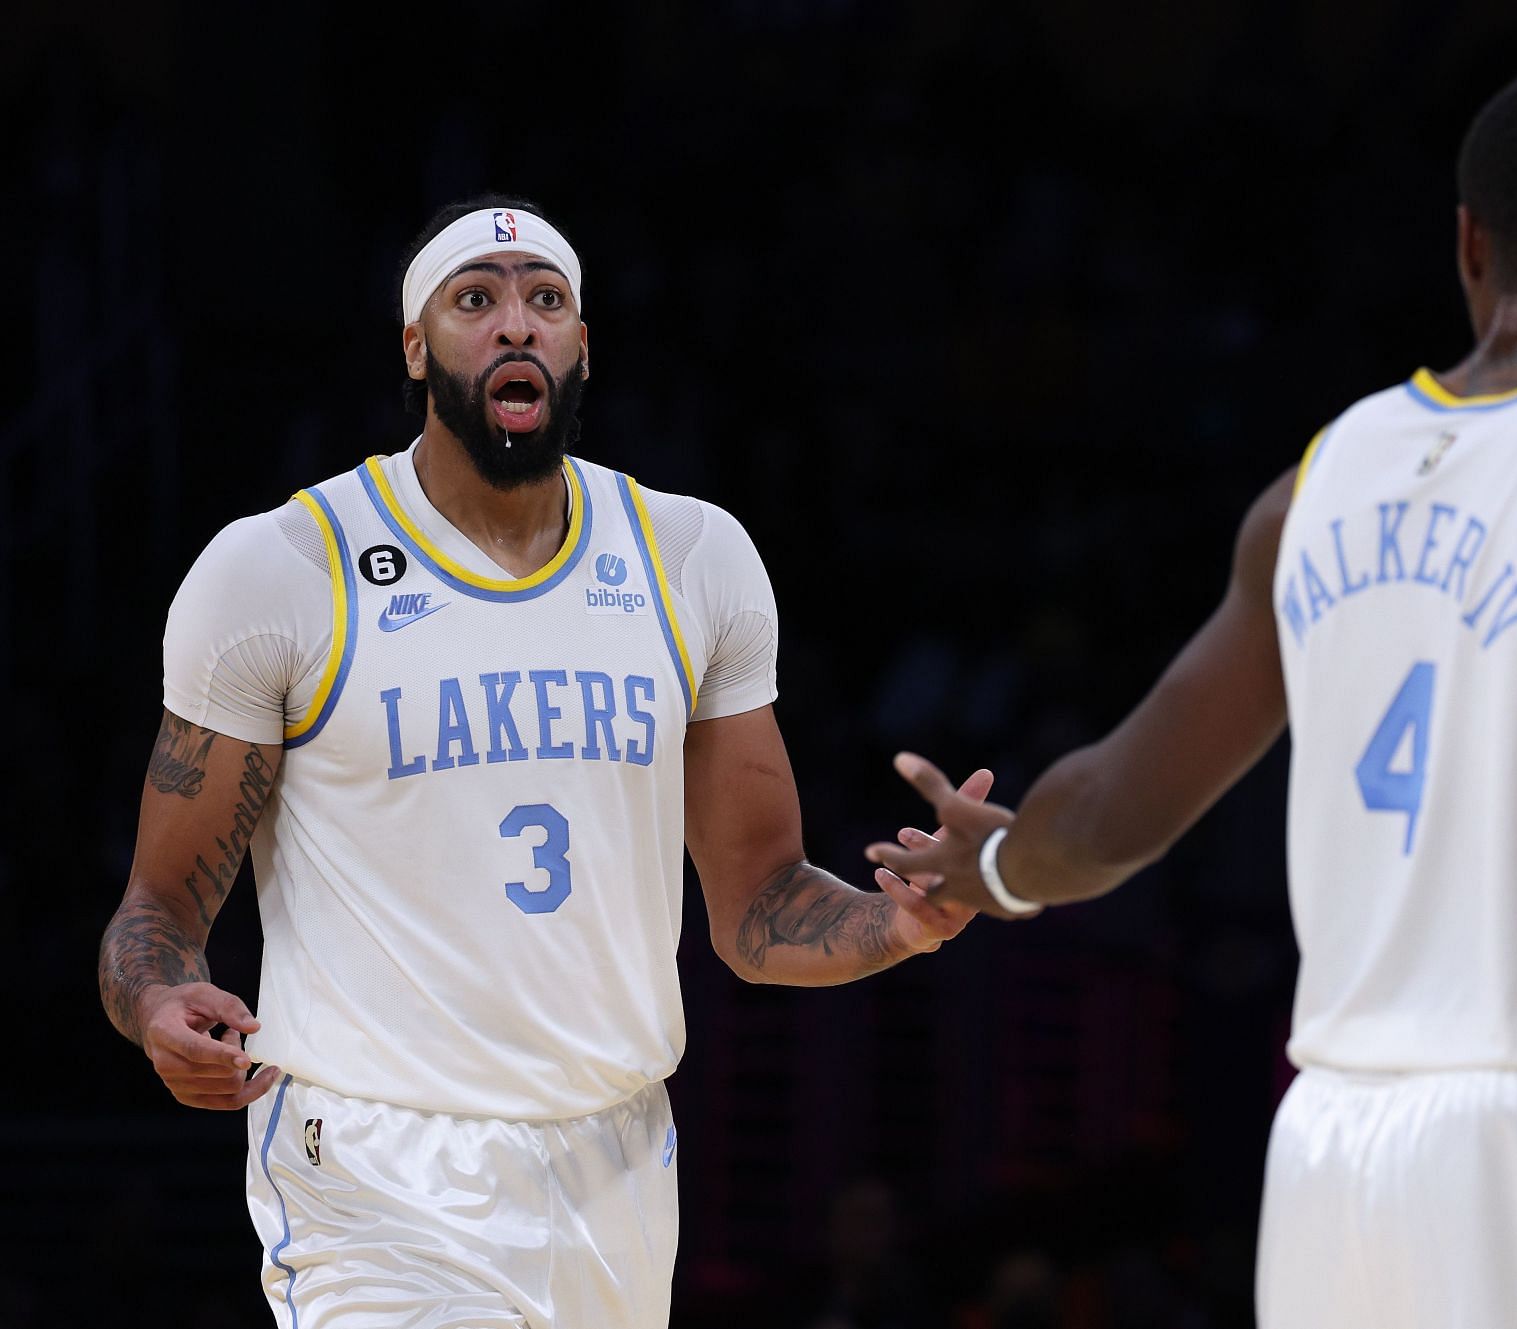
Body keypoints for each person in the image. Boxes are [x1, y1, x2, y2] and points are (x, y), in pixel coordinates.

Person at [869, 69, 1517, 1329]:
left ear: (1467, 241)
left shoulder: (1317, 486)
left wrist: (993, 871)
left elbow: (1113, 808)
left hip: (1334, 1163)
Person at [97, 194, 987, 1329]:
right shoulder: (279, 570)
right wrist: (160, 1000)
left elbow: (759, 908)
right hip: (376, 1172)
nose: (515, 324)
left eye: (545, 301)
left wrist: (902, 922)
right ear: (417, 348)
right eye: (476, 300)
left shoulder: (692, 558)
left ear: (580, 347)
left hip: (616, 1158)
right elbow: (157, 907)